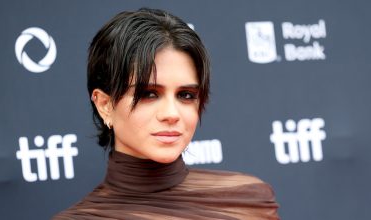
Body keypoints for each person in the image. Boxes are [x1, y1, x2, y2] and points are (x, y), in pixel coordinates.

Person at [54, 8, 279, 220]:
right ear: (105, 105)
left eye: (186, 95)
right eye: (149, 94)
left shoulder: (248, 202)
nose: (171, 114)